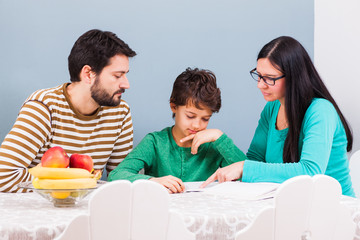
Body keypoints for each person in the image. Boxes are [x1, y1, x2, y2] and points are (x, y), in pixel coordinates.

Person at [201, 36, 355, 197]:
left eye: (269, 78)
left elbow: (310, 171)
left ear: (293, 76)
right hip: (294, 205)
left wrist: (244, 168)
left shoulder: (321, 111)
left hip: (334, 209)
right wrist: (220, 140)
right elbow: (254, 162)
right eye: (259, 75)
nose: (260, 84)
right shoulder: (272, 108)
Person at [0, 29, 136, 192]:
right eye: (117, 75)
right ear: (88, 74)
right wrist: (74, 185)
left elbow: (121, 178)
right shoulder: (44, 106)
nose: (126, 84)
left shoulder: (120, 111)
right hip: (37, 211)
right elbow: (3, 176)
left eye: (125, 75)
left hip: (87, 212)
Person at [108, 68, 247, 193]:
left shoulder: (214, 145)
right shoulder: (155, 142)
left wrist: (220, 137)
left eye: (205, 119)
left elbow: (248, 173)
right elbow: (116, 175)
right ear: (173, 106)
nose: (197, 125)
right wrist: (152, 182)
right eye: (190, 116)